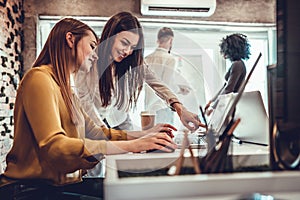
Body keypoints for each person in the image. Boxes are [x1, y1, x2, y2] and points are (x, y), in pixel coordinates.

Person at [0, 17, 177, 199]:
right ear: (70, 39)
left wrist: (144, 135)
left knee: (129, 191)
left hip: (58, 185)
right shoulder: (38, 78)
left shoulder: (66, 90)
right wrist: (132, 145)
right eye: (92, 46)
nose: (96, 53)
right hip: (27, 189)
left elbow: (96, 132)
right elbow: (55, 147)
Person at [75, 12, 205, 134]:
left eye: (132, 47)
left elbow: (157, 83)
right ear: (111, 36)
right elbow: (85, 103)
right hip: (95, 124)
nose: (127, 52)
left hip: (121, 121)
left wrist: (180, 109)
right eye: (124, 43)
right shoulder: (89, 59)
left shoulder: (131, 61)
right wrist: (106, 133)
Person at [205, 33, 251, 115]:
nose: (222, 53)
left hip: (233, 106)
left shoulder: (237, 64)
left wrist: (213, 108)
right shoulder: (237, 64)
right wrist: (212, 100)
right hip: (230, 103)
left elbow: (228, 89)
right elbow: (225, 86)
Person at [144, 27, 177, 125]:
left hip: (148, 107)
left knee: (151, 136)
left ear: (158, 40)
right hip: (163, 106)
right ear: (171, 40)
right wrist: (180, 89)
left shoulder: (147, 58)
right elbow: (166, 84)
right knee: (165, 137)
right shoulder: (170, 59)